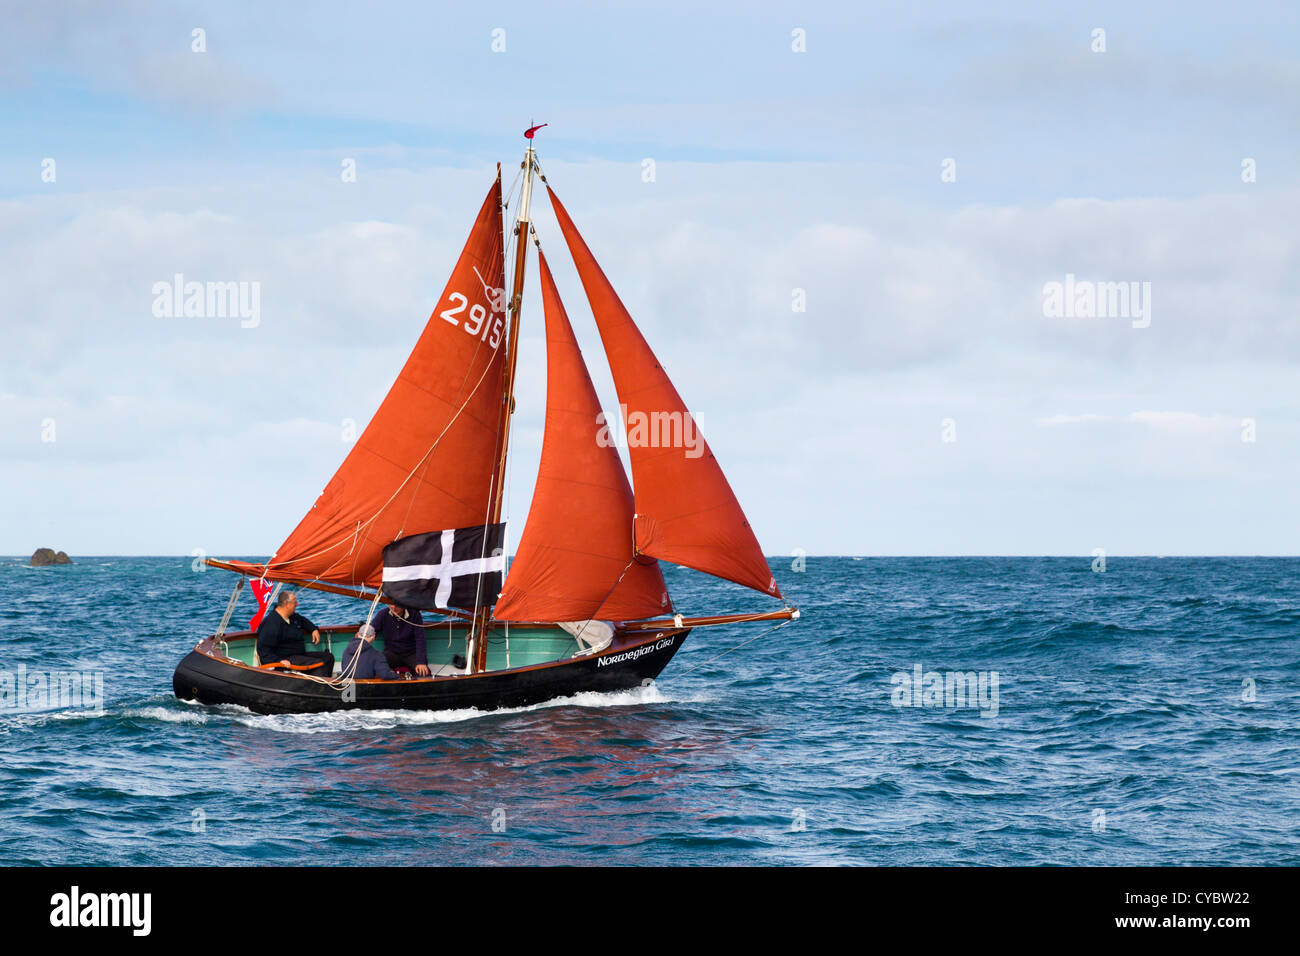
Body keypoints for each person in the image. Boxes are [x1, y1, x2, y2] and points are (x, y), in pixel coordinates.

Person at [255, 591, 335, 675]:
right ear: (287, 604)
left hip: (299, 655)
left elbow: (303, 621)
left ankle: (326, 683)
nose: (297, 604)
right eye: (295, 602)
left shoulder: (292, 617)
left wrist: (313, 629)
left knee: (328, 657)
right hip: (285, 658)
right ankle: (317, 687)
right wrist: (279, 661)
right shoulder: (271, 623)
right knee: (318, 664)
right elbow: (263, 650)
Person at [370, 603, 430, 676]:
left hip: (411, 654)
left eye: (397, 605)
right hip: (391, 653)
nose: (394, 608)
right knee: (374, 668)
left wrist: (421, 662)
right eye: (391, 604)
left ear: (403, 603)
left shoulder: (415, 614)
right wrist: (364, 633)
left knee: (423, 674)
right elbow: (371, 629)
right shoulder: (383, 614)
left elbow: (420, 638)